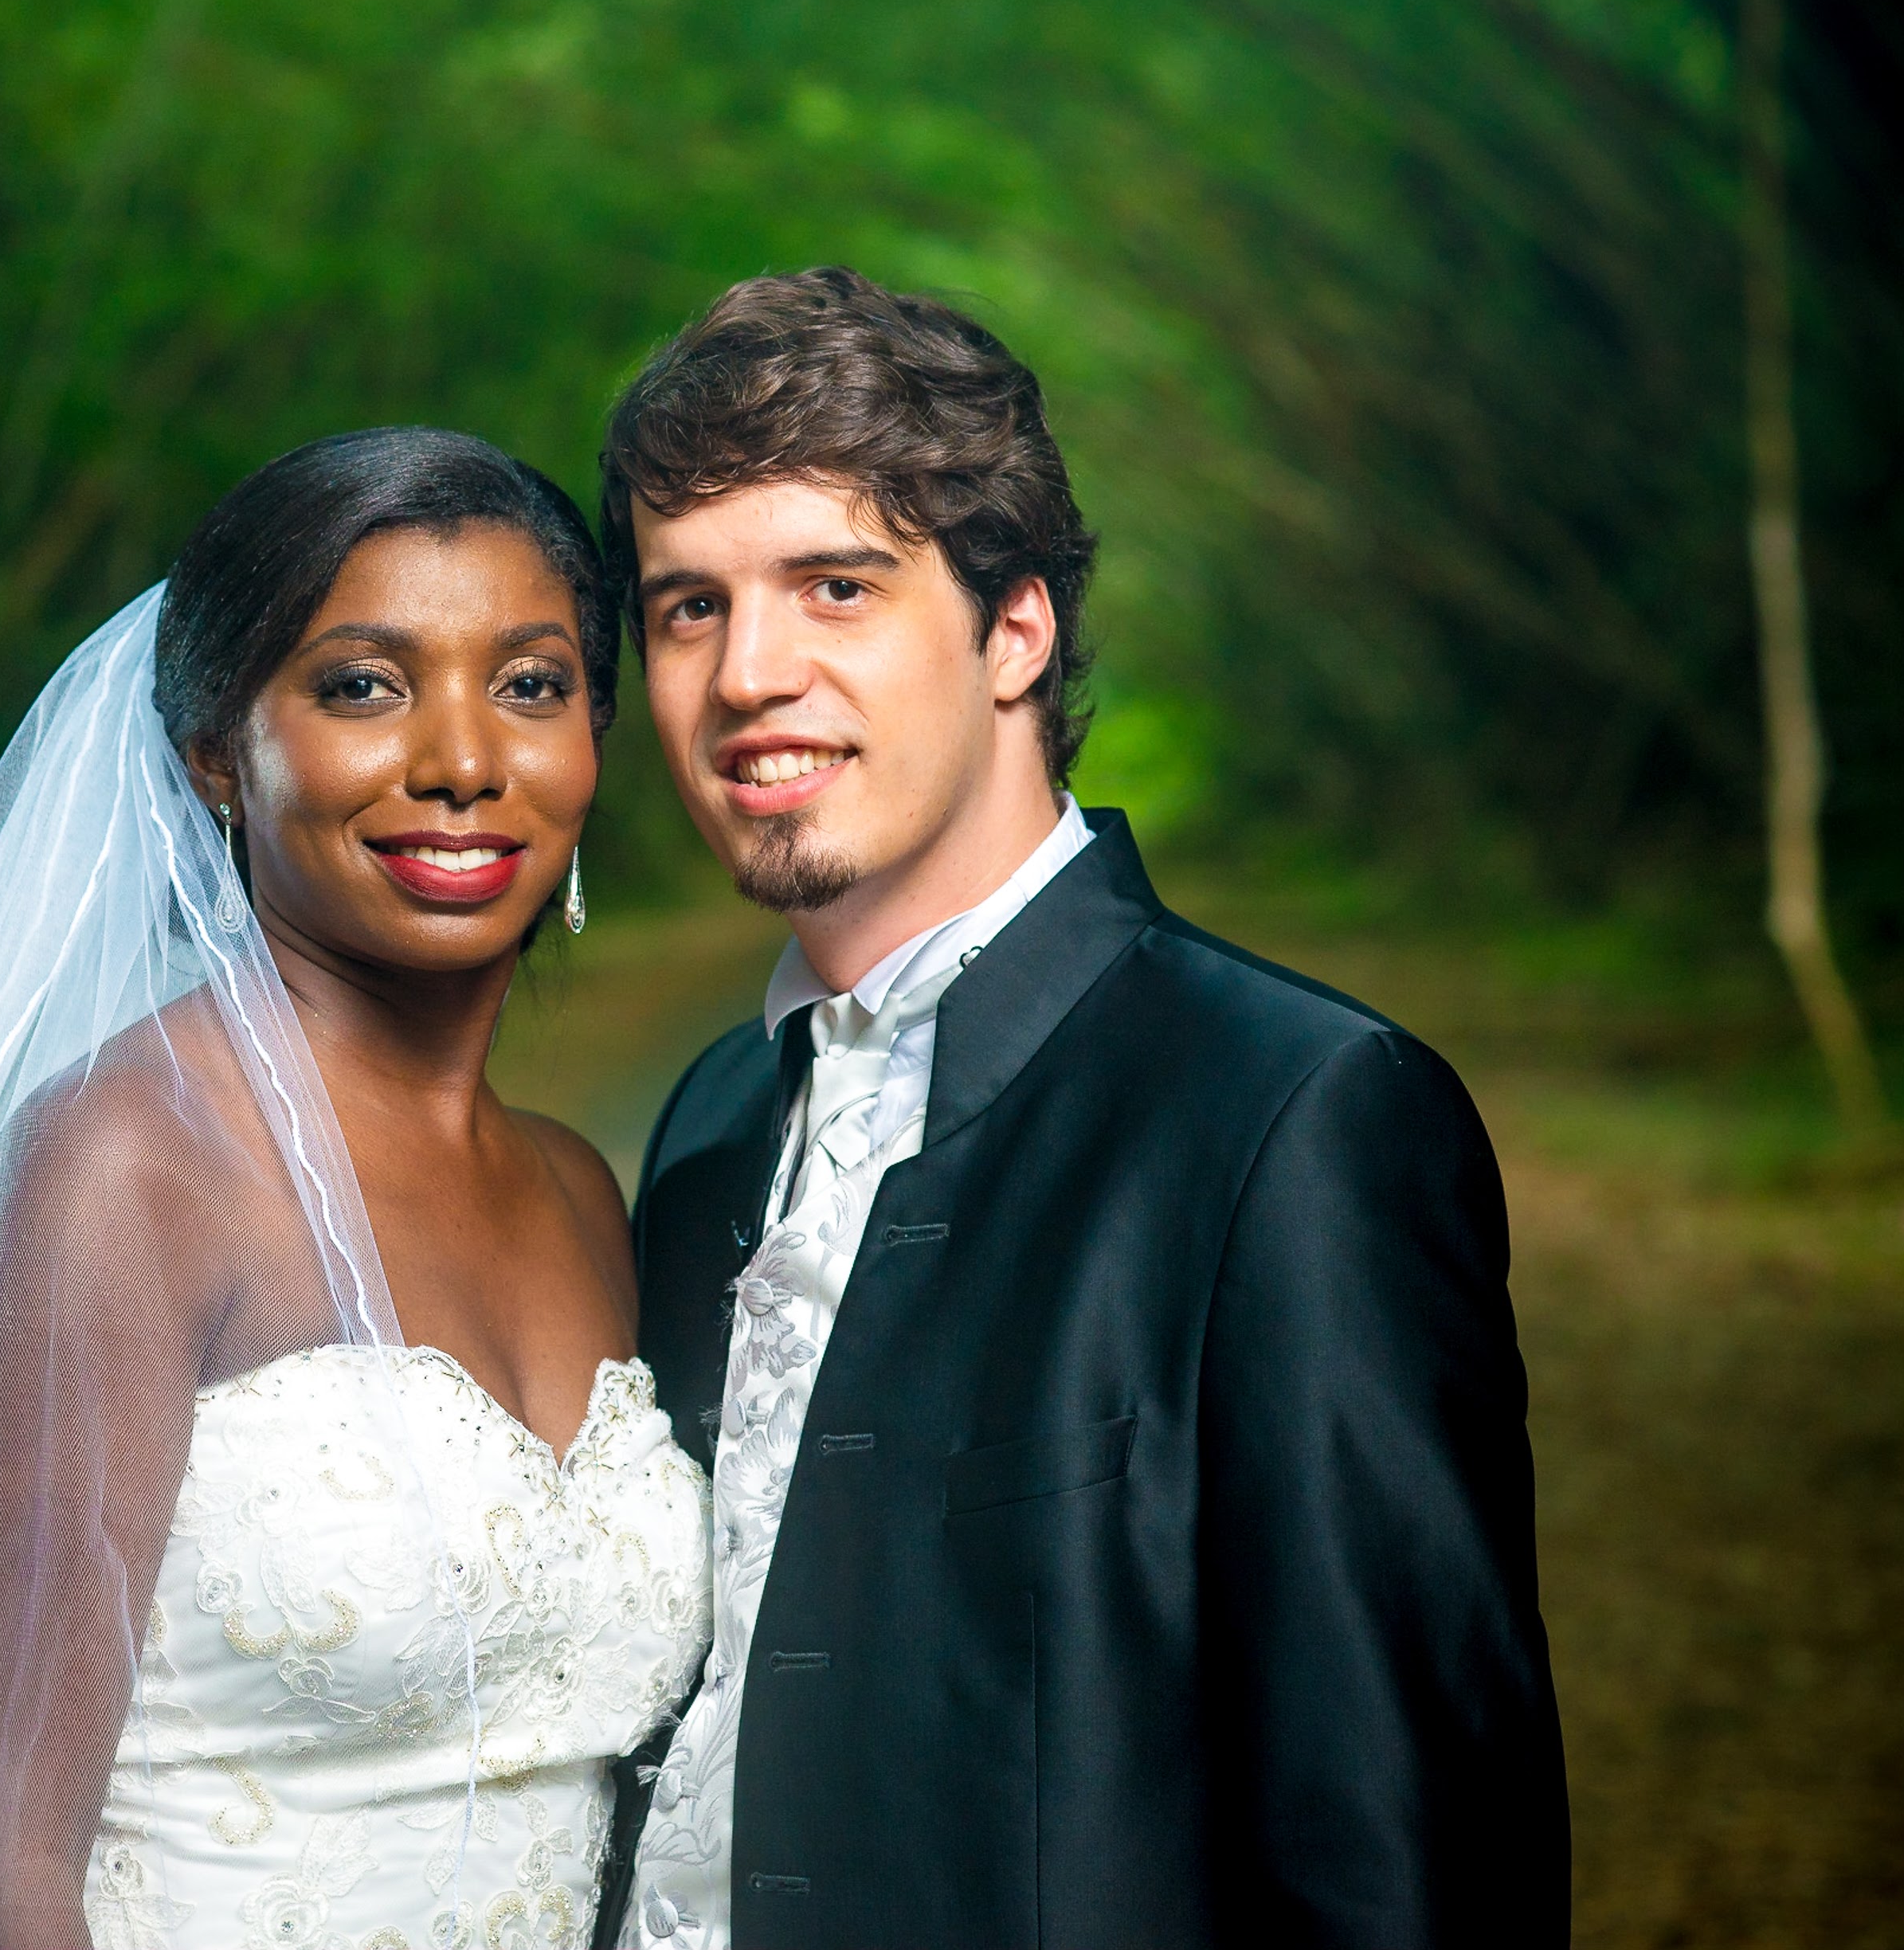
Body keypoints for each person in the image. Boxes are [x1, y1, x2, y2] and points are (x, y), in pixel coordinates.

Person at [0, 429, 710, 1950]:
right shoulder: (125, 1167)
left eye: (529, 684)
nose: (463, 759)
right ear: (215, 750)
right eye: (362, 686)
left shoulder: (586, 1195)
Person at [600, 269, 1568, 1948]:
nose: (749, 671)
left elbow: (1403, 1862)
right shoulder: (702, 1128)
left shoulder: (1296, 1116)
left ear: (1016, 628)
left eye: (835, 586)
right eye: (689, 607)